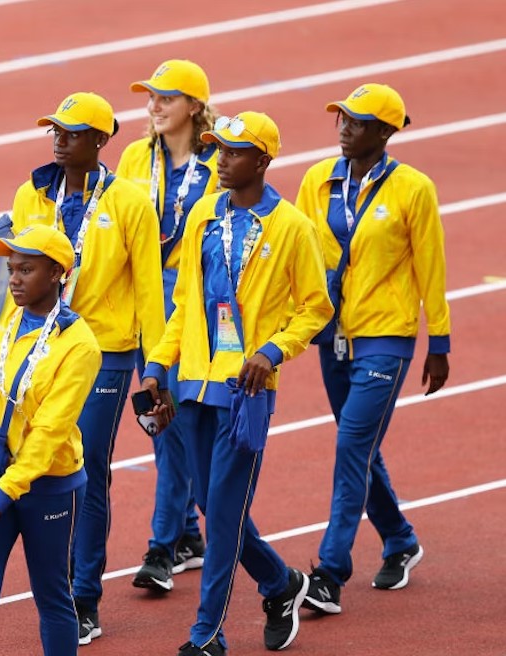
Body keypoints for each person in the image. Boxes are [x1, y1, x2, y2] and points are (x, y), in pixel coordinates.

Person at [139, 112, 334, 655]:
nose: (221, 160)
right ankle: (280, 583)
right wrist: (158, 365)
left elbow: (316, 307)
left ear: (263, 160)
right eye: (218, 149)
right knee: (211, 505)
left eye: (233, 151)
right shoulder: (203, 214)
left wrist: (273, 351)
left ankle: (208, 634)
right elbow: (185, 304)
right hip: (193, 386)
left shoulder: (291, 226)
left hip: (245, 391)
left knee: (222, 518)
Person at [9, 91, 164, 645]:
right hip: (41, 347)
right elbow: (15, 274)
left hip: (105, 353)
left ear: (100, 140)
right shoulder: (32, 193)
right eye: (55, 130)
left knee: (88, 468)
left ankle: (84, 596)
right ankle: (54, 587)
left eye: (71, 132)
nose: (59, 140)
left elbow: (150, 290)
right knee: (36, 461)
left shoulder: (129, 202)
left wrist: (155, 367)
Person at [295, 83, 450, 615]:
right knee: (359, 447)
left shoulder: (413, 188)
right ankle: (400, 539)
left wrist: (439, 341)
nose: (344, 128)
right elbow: (301, 254)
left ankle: (330, 572)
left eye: (356, 122)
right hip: (333, 335)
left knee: (350, 446)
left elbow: (431, 266)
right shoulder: (318, 180)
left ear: (384, 132)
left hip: (387, 336)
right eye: (341, 118)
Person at [0, 224, 101, 656]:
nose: (14, 279)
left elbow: (50, 431)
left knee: (52, 596)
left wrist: (2, 494)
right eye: (11, 269)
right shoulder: (4, 316)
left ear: (56, 274)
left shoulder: (80, 346)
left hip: (48, 484)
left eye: (26, 270)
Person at [117, 58, 220, 593]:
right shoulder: (135, 157)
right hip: (142, 306)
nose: (154, 106)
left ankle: (162, 547)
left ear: (194, 106)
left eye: (166, 97)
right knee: (162, 422)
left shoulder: (219, 161)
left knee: (172, 422)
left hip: (190, 308)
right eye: (151, 97)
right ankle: (189, 535)